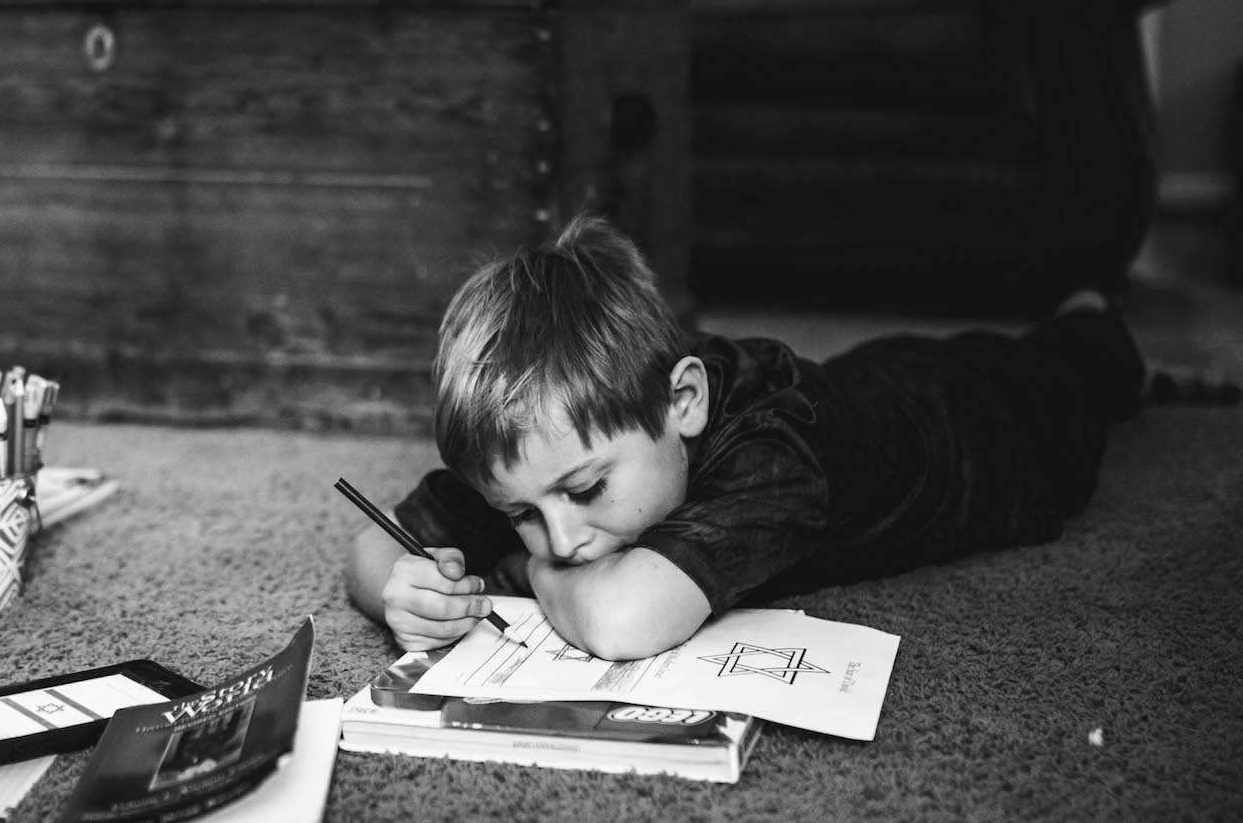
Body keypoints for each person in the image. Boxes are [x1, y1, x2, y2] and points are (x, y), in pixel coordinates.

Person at [345, 211, 1145, 661]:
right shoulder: (554, 456)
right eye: (518, 513)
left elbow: (622, 621)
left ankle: (1086, 315)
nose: (560, 537)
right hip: (874, 381)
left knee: (1080, 365)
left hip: (997, 432)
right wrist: (400, 588)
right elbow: (372, 544)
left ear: (683, 401)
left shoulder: (770, 458)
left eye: (587, 490)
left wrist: (513, 567)